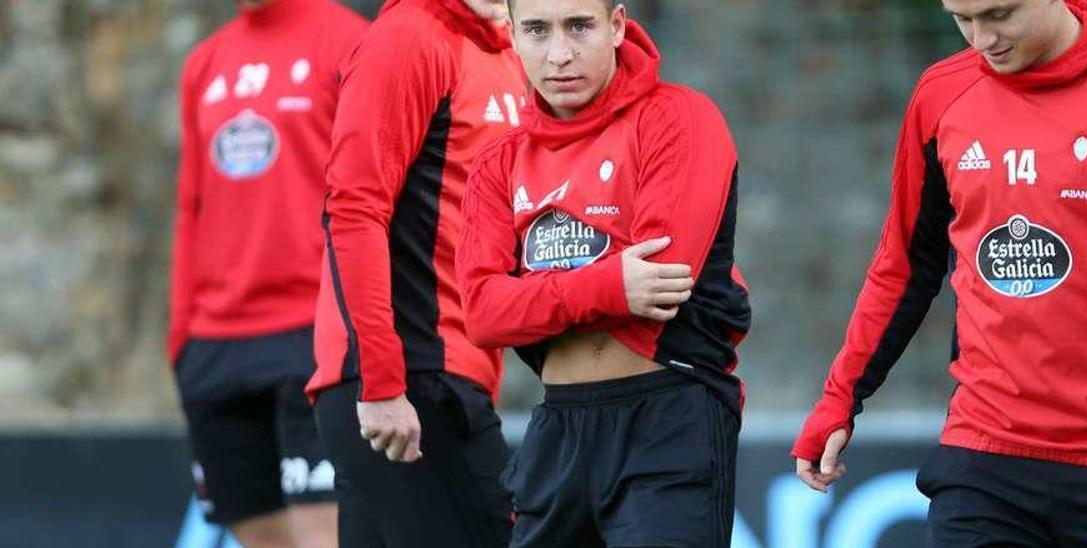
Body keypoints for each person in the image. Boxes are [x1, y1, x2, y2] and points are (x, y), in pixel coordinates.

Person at [792, 0, 1087, 545]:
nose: (981, 38)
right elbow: (903, 265)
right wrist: (838, 400)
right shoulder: (939, 96)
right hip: (985, 458)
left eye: (999, 14)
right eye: (962, 19)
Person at [456, 1, 751, 546]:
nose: (559, 54)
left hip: (668, 414)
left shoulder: (679, 117)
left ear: (616, 25)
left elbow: (662, 275)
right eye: (538, 31)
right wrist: (608, 284)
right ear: (513, 36)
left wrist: (532, 298)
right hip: (558, 429)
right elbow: (482, 312)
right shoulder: (499, 161)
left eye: (579, 26)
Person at [303, 0, 526, 546]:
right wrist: (381, 383)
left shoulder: (512, 52)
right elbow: (355, 209)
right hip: (406, 383)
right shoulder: (409, 37)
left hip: (447, 376)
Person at [169, 1, 366, 547]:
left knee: (323, 534)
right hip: (216, 345)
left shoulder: (351, 42)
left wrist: (352, 325)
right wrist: (181, 339)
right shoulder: (205, 62)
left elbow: (377, 199)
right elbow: (191, 207)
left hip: (313, 334)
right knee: (257, 534)